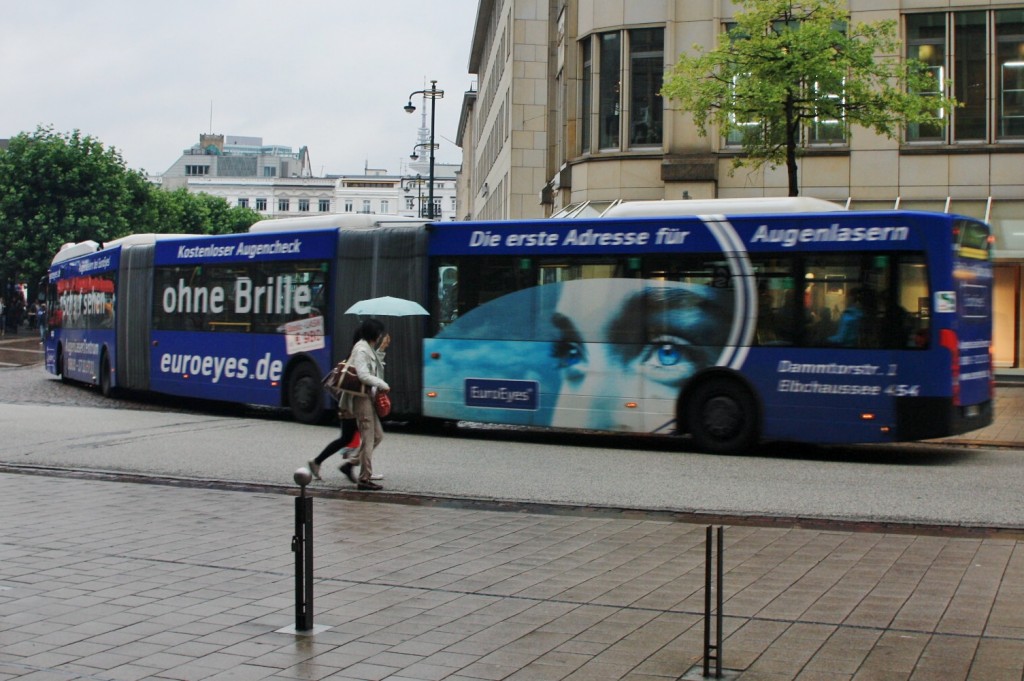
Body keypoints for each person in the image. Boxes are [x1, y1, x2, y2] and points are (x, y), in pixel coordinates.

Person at [337, 319, 390, 490]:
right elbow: (363, 375)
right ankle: (364, 479)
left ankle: (351, 463)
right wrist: (382, 384)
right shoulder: (361, 349)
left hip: (368, 397)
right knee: (368, 438)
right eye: (380, 332)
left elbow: (374, 369)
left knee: (378, 436)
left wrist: (381, 350)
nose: (381, 335)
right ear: (375, 334)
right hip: (361, 398)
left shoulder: (368, 348)